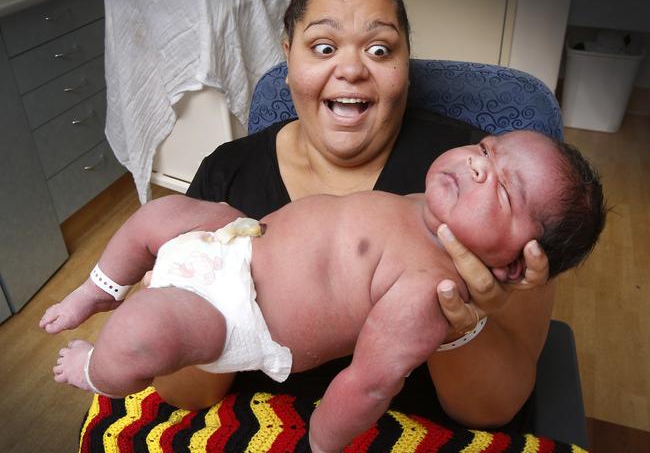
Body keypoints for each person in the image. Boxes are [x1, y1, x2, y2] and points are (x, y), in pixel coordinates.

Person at [79, 0, 561, 436]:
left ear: (406, 66)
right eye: (324, 47)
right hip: (251, 422)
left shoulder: (486, 189)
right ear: (289, 58)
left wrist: (461, 324)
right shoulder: (227, 174)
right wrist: (184, 288)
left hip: (411, 429)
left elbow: (493, 410)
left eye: (379, 49)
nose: (350, 69)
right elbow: (188, 395)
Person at [43, 130, 605, 452]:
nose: (478, 167)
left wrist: (320, 445)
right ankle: (98, 290)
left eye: (505, 191)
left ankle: (98, 370)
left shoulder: (432, 288)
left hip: (237, 314)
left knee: (142, 334)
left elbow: (368, 382)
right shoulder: (423, 203)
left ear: (513, 266)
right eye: (486, 149)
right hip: (233, 239)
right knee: (158, 213)